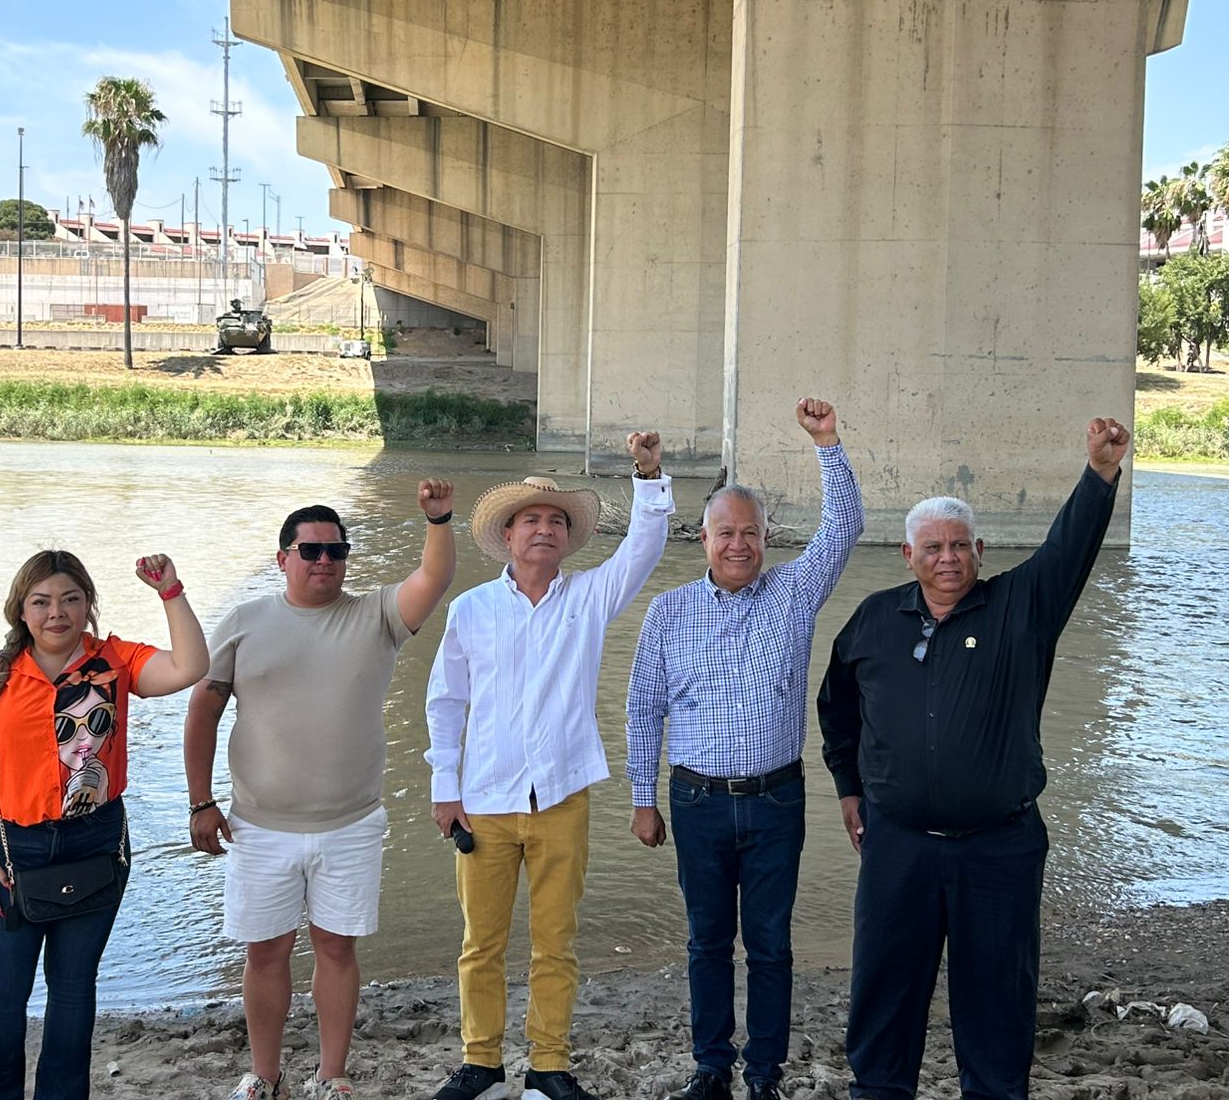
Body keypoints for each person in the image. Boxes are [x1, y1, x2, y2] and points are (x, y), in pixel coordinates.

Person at [816, 418, 1129, 1100]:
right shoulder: (872, 620)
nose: (948, 557)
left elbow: (1068, 550)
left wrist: (1099, 472)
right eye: (933, 547)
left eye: (960, 545)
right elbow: (837, 708)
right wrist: (848, 786)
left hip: (999, 849)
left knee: (996, 998)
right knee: (885, 990)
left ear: (980, 550)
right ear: (907, 554)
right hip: (898, 847)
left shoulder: (1023, 608)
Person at [185, 481, 457, 1100]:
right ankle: (264, 1073)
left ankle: (332, 1076)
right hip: (258, 823)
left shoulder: (378, 616)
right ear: (282, 558)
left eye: (337, 551)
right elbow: (202, 710)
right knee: (266, 951)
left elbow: (433, 579)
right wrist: (201, 801)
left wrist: (438, 519)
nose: (326, 562)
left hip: (352, 823)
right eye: (311, 552)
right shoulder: (245, 622)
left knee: (337, 947)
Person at [624, 400, 862, 1100]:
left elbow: (845, 528)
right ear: (702, 537)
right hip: (695, 801)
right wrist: (642, 799)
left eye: (750, 532)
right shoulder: (668, 611)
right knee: (705, 944)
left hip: (776, 800)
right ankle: (710, 1067)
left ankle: (763, 1074)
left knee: (770, 946)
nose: (738, 544)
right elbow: (643, 710)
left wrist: (828, 444)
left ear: (766, 537)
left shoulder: (794, 593)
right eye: (725, 532)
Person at [425, 433, 672, 1100]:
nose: (544, 528)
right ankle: (481, 1061)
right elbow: (446, 702)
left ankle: (549, 1066)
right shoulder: (470, 610)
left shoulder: (591, 599)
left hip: (563, 796)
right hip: (484, 801)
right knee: (482, 941)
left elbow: (644, 549)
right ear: (507, 536)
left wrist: (648, 475)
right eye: (530, 519)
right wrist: (444, 789)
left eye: (556, 520)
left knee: (556, 942)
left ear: (568, 539)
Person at [0, 548, 208, 1100]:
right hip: (9, 850)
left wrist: (171, 591)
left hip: (94, 844)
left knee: (71, 989)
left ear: (88, 605)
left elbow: (190, 667)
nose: (55, 613)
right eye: (40, 602)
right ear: (21, 610)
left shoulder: (113, 663)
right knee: (0, 994)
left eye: (70, 599)